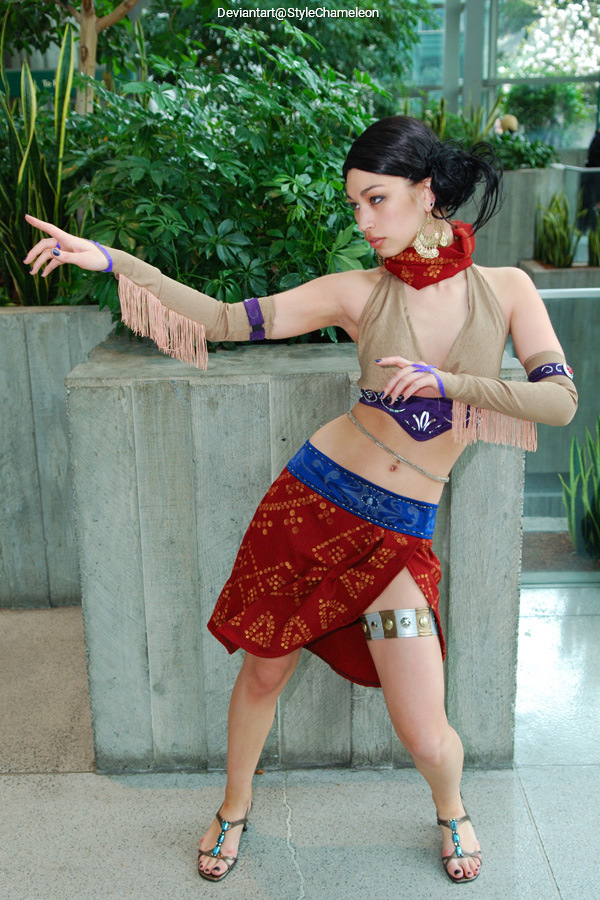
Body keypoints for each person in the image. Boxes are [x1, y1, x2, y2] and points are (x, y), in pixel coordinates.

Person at [24, 116, 577, 886]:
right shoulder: (355, 292)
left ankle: (451, 807)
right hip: (311, 509)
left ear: (425, 194)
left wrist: (453, 385)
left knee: (424, 730)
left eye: (376, 200)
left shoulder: (507, 290)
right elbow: (221, 321)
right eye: (354, 205)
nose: (364, 221)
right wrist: (114, 261)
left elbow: (559, 404)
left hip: (400, 537)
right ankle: (234, 806)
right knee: (262, 675)